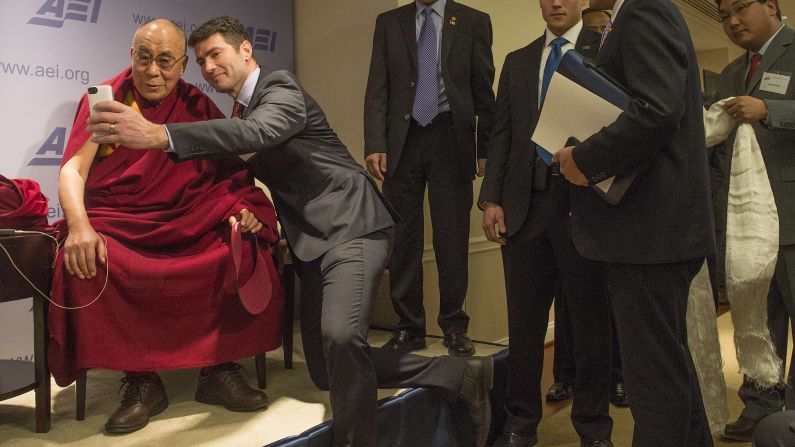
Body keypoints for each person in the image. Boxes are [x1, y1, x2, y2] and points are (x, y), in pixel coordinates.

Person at [87, 16, 493, 447]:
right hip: (310, 242)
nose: (208, 67)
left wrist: (160, 134)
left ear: (246, 51)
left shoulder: (280, 88)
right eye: (201, 60)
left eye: (216, 54)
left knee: (340, 336)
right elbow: (234, 157)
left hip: (351, 226)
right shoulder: (241, 110)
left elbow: (259, 132)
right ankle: (454, 373)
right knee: (324, 365)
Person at [50, 19, 283, 434]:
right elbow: (74, 170)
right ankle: (142, 380)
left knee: (235, 246)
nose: (153, 71)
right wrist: (79, 226)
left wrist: (243, 207)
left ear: (181, 66)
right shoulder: (109, 100)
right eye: (144, 58)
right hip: (124, 220)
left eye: (165, 62)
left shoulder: (196, 105)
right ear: (131, 56)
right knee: (94, 258)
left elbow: (227, 174)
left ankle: (218, 370)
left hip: (188, 216)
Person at [553, 0, 716, 445]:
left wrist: (584, 158)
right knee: (669, 372)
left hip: (650, 233)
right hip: (652, 233)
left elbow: (657, 110)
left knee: (654, 389)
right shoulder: (635, 14)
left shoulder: (644, 8)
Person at [479, 1, 613, 445]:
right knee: (524, 327)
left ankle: (594, 428)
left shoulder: (606, 50)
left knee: (592, 325)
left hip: (586, 207)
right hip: (524, 209)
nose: (557, 2)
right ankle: (521, 425)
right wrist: (491, 198)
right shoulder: (517, 61)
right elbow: (501, 134)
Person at [363, 0, 496, 356]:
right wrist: (375, 142)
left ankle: (454, 326)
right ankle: (409, 328)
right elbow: (378, 85)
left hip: (451, 137)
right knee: (403, 239)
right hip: (402, 141)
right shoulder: (389, 22)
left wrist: (486, 148)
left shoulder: (473, 21)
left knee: (451, 237)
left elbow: (484, 91)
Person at [711, 0, 795, 441]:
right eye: (724, 16)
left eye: (740, 8)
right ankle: (761, 408)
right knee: (756, 317)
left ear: (771, 6)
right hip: (746, 225)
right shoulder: (728, 75)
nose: (732, 21)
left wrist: (771, 111)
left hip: (793, 215)